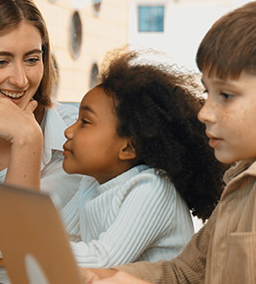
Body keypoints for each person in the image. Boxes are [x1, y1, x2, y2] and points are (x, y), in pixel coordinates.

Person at [82, 2, 256, 284]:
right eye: (207, 93)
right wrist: (105, 278)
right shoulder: (239, 186)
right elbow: (185, 272)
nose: (205, 113)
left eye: (226, 96)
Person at [60, 48, 225, 268]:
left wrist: (29, 242)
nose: (69, 131)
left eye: (85, 122)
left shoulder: (151, 188)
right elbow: (58, 233)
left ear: (129, 147)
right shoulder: (91, 183)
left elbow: (102, 260)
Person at [0, 0, 81, 249]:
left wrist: (27, 140)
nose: (20, 80)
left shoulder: (77, 135)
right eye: (0, 62)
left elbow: (18, 247)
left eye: (31, 59)